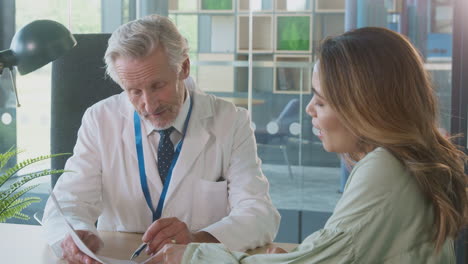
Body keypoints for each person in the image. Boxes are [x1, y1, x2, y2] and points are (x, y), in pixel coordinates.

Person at [149, 27, 468, 263]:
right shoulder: (407, 161)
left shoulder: (385, 167)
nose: (309, 109)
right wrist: (296, 255)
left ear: (364, 108)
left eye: (322, 101)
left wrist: (190, 256)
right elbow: (346, 249)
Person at [42, 14, 280, 263]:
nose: (149, 104)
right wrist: (73, 235)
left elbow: (260, 214)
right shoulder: (99, 119)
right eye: (134, 91)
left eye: (157, 86)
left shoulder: (231, 121)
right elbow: (68, 203)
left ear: (184, 68)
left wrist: (198, 240)